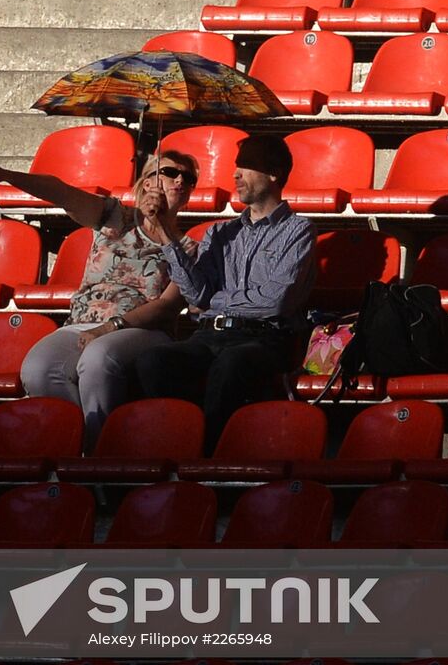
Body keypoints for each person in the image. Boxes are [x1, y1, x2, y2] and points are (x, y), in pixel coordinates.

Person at [0, 142, 199, 450]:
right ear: (147, 181)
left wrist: (111, 326)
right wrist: (8, 176)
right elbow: (61, 191)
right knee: (38, 368)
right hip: (82, 321)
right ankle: (76, 444)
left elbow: (167, 307)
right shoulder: (113, 215)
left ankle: (98, 456)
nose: (180, 181)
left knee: (97, 359)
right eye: (170, 173)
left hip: (140, 329)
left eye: (189, 178)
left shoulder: (187, 248)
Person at [133, 134, 316, 450]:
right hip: (209, 336)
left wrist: (215, 301)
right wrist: (164, 231)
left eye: (246, 166)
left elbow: (275, 301)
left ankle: (207, 456)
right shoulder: (219, 232)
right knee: (153, 361)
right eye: (237, 167)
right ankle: (176, 446)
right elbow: (194, 294)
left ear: (273, 174)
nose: (236, 175)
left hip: (265, 338)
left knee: (232, 363)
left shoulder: (298, 230)